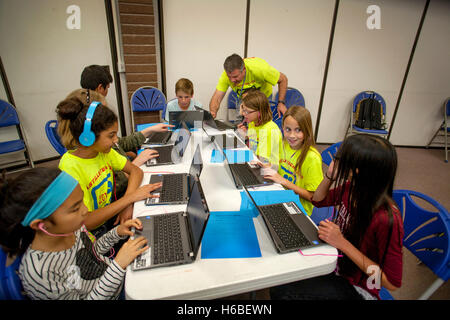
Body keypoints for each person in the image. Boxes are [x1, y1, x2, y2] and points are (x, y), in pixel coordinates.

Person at [270, 134, 404, 300]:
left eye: (341, 161)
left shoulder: (385, 219)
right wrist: (330, 176)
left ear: (358, 171)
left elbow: (390, 283)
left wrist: (342, 243)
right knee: (281, 268)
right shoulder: (353, 187)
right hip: (335, 261)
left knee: (284, 291)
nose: (336, 162)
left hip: (359, 288)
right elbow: (317, 200)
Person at [0, 167, 150, 300]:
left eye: (82, 202)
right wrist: (118, 265)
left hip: (118, 275)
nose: (85, 211)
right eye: (75, 208)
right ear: (41, 224)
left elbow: (91, 254)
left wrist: (116, 233)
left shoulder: (70, 228)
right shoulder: (41, 274)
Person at [56, 95, 162, 236]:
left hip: (111, 215)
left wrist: (127, 205)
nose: (116, 140)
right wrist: (130, 198)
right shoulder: (70, 167)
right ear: (89, 137)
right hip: (92, 234)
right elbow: (85, 222)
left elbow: (136, 171)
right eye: (111, 135)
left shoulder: (103, 152)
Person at [57, 89, 171, 198]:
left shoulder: (100, 145)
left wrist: (149, 130)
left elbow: (122, 143)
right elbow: (114, 186)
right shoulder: (89, 153)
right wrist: (137, 161)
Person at [262, 106, 323, 216]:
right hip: (280, 196)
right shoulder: (283, 144)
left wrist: (284, 181)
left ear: (307, 129)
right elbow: (276, 166)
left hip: (298, 208)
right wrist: (266, 165)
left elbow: (314, 198)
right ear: (283, 128)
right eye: (288, 129)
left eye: (298, 130)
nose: (292, 135)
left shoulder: (312, 158)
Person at [209, 54, 288, 119]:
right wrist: (213, 112)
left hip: (264, 97)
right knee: (242, 125)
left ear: (244, 70)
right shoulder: (226, 76)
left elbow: (283, 79)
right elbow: (217, 98)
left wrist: (281, 103)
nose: (232, 80)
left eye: (235, 77)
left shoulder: (259, 69)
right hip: (243, 98)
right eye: (229, 77)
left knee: (263, 122)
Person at [237, 90, 283, 166]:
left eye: (247, 112)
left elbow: (260, 159)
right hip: (256, 162)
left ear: (260, 112)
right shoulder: (252, 122)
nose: (243, 114)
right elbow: (253, 146)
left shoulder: (269, 130)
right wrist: (245, 135)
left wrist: (233, 156)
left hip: (269, 169)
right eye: (243, 110)